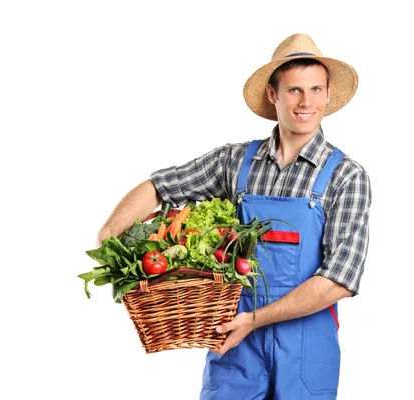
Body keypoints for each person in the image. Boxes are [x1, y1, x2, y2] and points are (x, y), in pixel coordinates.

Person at [96, 33, 371, 399]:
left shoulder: (347, 176)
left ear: (328, 92)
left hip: (306, 351)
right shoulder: (235, 162)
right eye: (294, 91)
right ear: (273, 94)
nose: (307, 102)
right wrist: (110, 236)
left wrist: (255, 320)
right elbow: (160, 186)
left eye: (316, 90)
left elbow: (340, 279)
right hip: (233, 347)